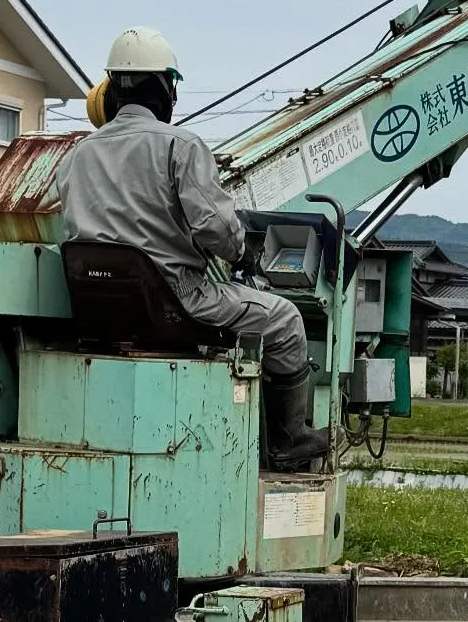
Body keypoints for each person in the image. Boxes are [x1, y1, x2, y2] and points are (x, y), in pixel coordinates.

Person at [61, 28, 327, 471]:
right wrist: (242, 252)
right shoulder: (180, 147)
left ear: (110, 90)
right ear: (165, 88)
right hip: (175, 300)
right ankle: (287, 439)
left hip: (96, 306)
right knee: (284, 319)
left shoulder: (76, 155)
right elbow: (217, 228)